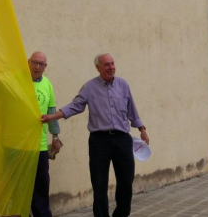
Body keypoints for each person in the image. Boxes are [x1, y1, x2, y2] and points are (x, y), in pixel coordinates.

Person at [41, 53, 149, 217]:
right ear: (98, 68)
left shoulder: (123, 85)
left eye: (112, 64)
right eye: (106, 65)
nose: (111, 67)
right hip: (100, 141)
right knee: (99, 184)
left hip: (122, 140)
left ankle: (121, 214)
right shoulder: (89, 87)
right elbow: (74, 106)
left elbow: (131, 110)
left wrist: (142, 128)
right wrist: (52, 117)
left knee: (126, 182)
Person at [28, 51, 62, 217]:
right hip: (18, 145)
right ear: (28, 62)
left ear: (45, 67)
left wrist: (55, 138)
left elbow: (52, 112)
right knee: (20, 187)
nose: (37, 66)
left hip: (40, 146)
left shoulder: (47, 84)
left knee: (41, 186)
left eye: (41, 64)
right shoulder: (19, 80)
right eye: (34, 62)